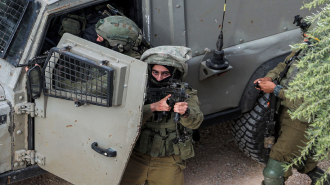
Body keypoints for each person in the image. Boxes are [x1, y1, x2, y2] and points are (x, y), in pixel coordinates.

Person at [120, 46, 204, 185]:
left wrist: (185, 113)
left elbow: (196, 121)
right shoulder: (137, 88)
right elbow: (123, 117)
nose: (159, 78)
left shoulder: (185, 92)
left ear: (175, 73)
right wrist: (153, 107)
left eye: (165, 74)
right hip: (135, 154)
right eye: (155, 72)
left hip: (168, 158)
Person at [255, 48, 330, 184]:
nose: (304, 34)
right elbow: (284, 65)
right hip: (284, 111)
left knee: (273, 173)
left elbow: (311, 103)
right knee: (304, 161)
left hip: (304, 121)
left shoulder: (325, 59)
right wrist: (269, 77)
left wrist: (276, 90)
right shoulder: (306, 46)